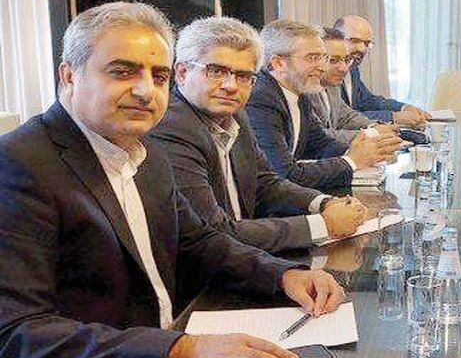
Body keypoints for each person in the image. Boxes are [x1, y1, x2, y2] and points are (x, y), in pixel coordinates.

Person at [0, 2, 347, 358]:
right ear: (69, 76)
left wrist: (283, 275)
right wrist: (179, 350)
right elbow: (16, 334)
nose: (145, 90)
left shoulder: (145, 150)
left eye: (158, 76)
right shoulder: (17, 164)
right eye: (122, 71)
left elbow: (196, 241)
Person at [149, 16, 368, 256]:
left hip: (247, 257)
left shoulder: (236, 115)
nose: (231, 86)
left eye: (243, 76)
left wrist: (325, 203)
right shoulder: (171, 128)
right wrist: (324, 225)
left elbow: (265, 182)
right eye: (216, 71)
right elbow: (215, 232)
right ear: (182, 73)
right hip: (206, 272)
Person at [247, 20, 402, 189]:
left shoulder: (300, 93)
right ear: (278, 63)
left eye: (324, 57)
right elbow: (284, 174)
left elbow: (320, 144)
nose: (322, 67)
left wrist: (366, 149)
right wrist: (352, 161)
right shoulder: (260, 98)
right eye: (313, 58)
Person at [334, 15, 430, 125]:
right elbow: (340, 118)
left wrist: (403, 107)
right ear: (335, 40)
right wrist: (392, 117)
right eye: (354, 41)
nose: (362, 49)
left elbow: (368, 101)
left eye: (366, 43)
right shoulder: (327, 72)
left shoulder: (352, 69)